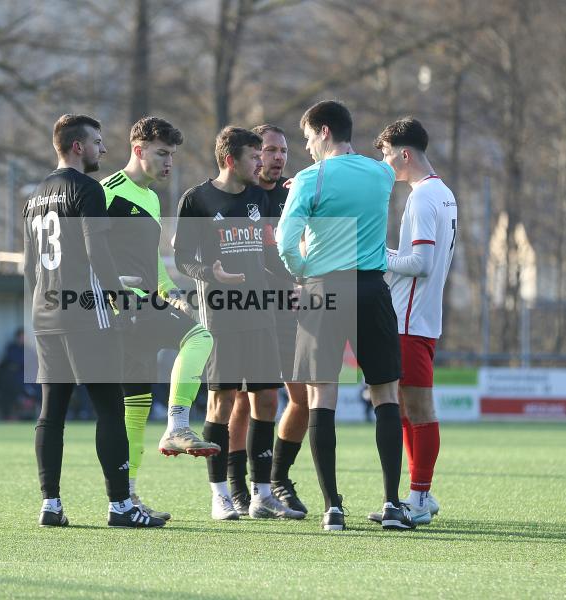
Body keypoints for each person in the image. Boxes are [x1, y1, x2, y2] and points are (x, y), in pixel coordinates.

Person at [277, 100, 414, 531]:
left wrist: (303, 270)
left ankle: (332, 507)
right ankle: (392, 503)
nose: (306, 148)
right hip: (372, 288)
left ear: (322, 131)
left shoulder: (309, 179)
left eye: (306, 139)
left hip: (323, 289)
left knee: (322, 397)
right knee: (385, 394)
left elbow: (285, 242)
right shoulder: (381, 173)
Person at [25, 113, 163, 528]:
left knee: (52, 413)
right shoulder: (87, 189)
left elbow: (31, 265)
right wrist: (119, 300)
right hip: (87, 314)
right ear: (78, 146)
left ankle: (51, 504)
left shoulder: (35, 195)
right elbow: (96, 253)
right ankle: (121, 506)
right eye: (98, 142)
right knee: (109, 408)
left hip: (45, 313)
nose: (104, 149)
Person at [174, 126, 304, 521]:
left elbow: (267, 255)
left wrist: (291, 282)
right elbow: (181, 258)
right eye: (254, 157)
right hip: (221, 317)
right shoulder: (196, 199)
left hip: (261, 314)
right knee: (223, 402)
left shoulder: (258, 198)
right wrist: (210, 273)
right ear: (232, 160)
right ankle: (220, 496)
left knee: (266, 400)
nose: (262, 163)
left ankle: (262, 494)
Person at [100, 116, 217, 521]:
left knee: (135, 407)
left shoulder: (150, 198)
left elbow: (153, 263)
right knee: (201, 337)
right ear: (138, 150)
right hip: (127, 310)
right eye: (162, 153)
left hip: (145, 304)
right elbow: (87, 251)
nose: (169, 162)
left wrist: (173, 293)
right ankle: (178, 424)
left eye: (172, 155)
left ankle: (126, 501)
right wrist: (111, 297)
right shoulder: (108, 193)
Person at [364, 117, 456, 526]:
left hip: (409, 320)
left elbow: (420, 263)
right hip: (420, 317)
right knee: (404, 406)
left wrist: (376, 256)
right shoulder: (443, 192)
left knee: (418, 408)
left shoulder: (422, 198)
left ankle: (419, 497)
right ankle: (420, 492)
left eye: (386, 155)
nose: (385, 163)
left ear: (404, 154)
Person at [226, 124, 310, 516]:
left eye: (282, 151)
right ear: (253, 156)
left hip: (290, 312)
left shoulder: (294, 195)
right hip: (250, 310)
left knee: (303, 399)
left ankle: (278, 479)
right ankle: (238, 485)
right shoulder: (239, 197)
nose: (276, 158)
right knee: (245, 400)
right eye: (269, 150)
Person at [0, 327, 25, 420]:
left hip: (24, 380)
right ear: (17, 337)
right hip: (10, 380)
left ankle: (17, 416)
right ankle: (8, 416)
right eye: (21, 337)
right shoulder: (11, 347)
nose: (23, 339)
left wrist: (19, 365)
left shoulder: (28, 349)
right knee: (6, 389)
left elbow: (25, 363)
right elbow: (10, 360)